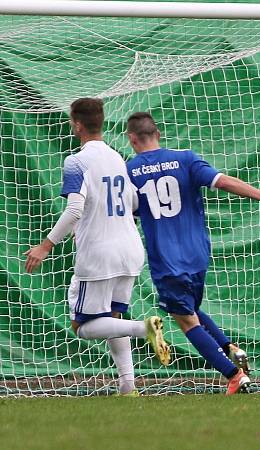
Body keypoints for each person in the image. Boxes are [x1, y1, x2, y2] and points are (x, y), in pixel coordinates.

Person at [124, 112, 260, 395]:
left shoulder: (129, 171)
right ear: (159, 133)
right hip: (198, 253)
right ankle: (230, 347)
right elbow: (223, 181)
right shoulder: (186, 158)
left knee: (185, 319)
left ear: (132, 139)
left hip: (166, 259)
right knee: (189, 309)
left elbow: (128, 212)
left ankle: (233, 375)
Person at [24, 98, 170, 396]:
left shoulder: (76, 161)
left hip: (99, 255)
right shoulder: (117, 157)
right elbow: (133, 204)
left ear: (76, 124)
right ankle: (128, 386)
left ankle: (144, 329)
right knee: (112, 319)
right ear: (101, 122)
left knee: (84, 326)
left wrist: (45, 246)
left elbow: (74, 210)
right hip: (129, 250)